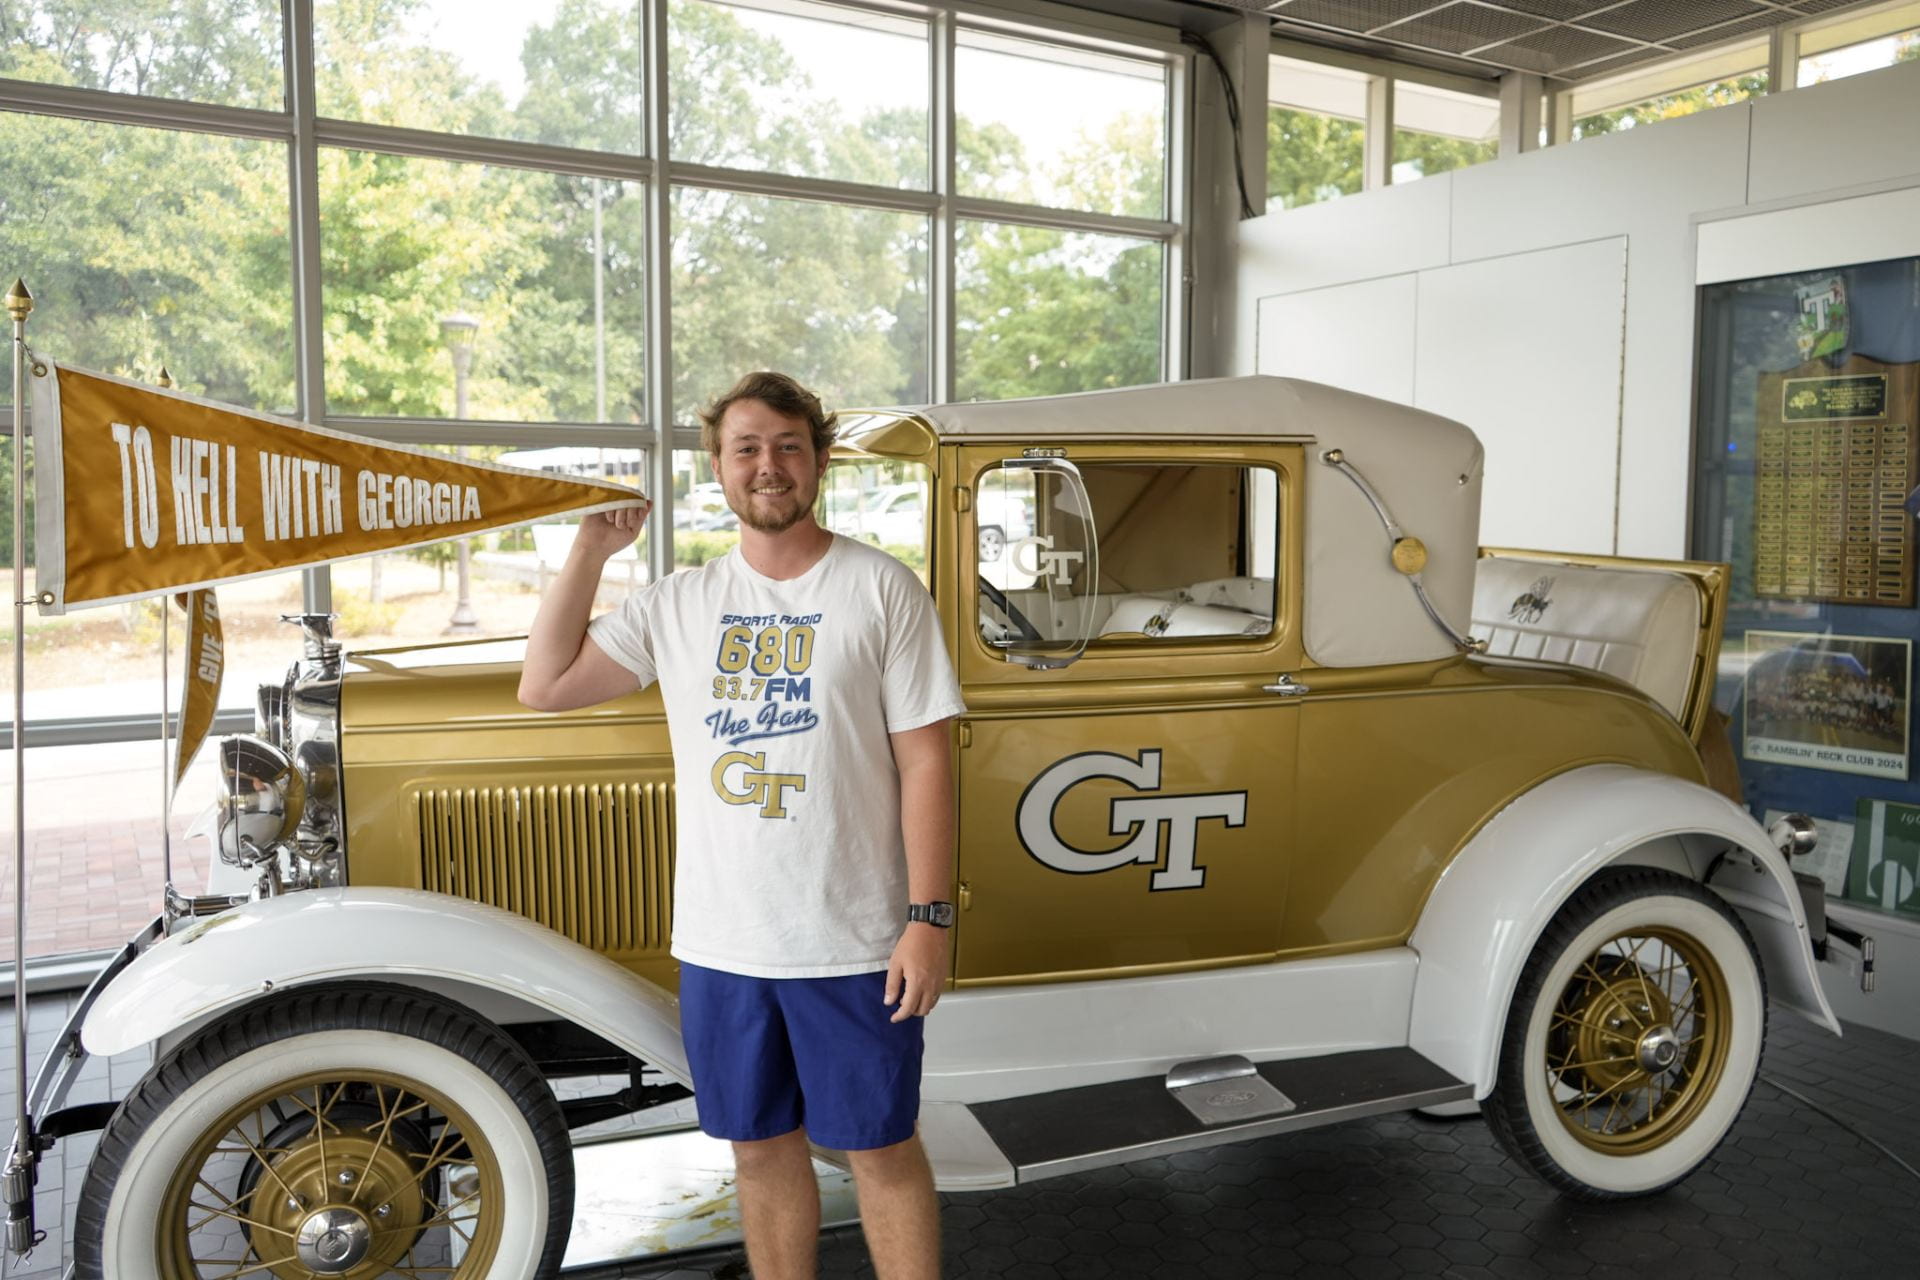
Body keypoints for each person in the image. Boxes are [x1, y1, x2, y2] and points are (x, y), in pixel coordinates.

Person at [518, 370, 964, 1280]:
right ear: (717, 468)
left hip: (854, 942)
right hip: (726, 943)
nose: (769, 466)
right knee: (759, 1149)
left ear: (821, 461)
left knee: (878, 1148)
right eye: (747, 448)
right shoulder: (678, 603)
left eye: (788, 446)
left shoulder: (882, 589)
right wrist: (590, 552)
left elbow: (928, 761)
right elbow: (546, 685)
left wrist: (930, 918)